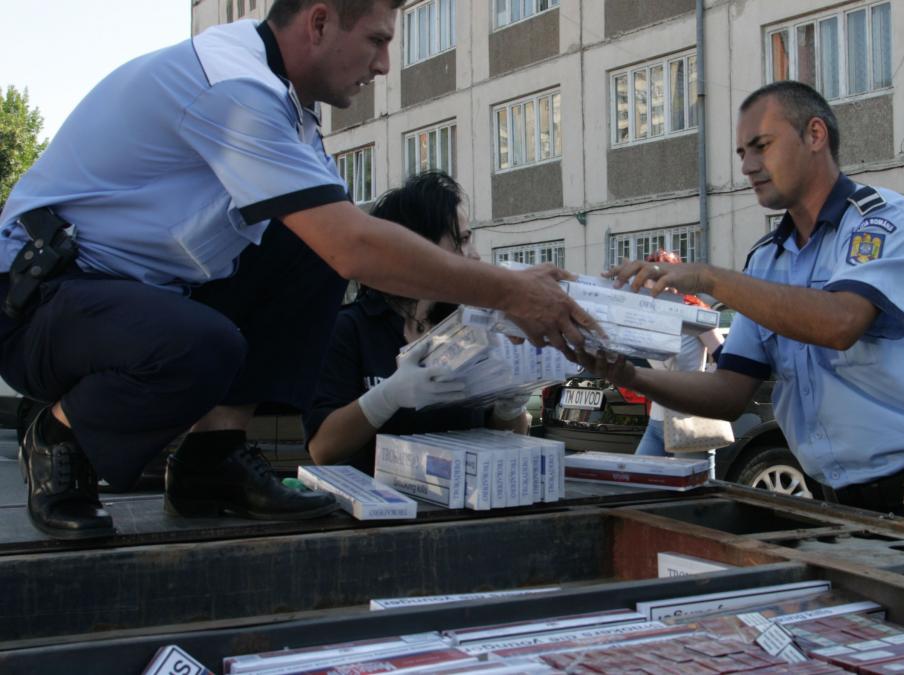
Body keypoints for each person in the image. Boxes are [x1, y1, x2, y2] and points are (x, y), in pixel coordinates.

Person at [0, 0, 594, 540]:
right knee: (208, 343)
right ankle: (59, 437)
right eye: (377, 41)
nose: (385, 65)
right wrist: (511, 291)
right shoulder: (234, 87)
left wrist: (494, 299)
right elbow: (356, 247)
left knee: (304, 246)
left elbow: (343, 240)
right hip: (40, 301)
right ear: (318, 22)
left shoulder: (291, 112)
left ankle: (214, 459)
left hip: (133, 300)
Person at [584, 81, 904, 534]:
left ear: (815, 135)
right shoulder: (768, 260)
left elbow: (841, 322)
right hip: (839, 506)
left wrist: (710, 277)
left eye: (761, 146)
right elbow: (729, 393)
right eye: (741, 153)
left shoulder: (883, 221)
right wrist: (626, 375)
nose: (748, 166)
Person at [305, 172, 531, 472]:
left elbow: (503, 441)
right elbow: (322, 449)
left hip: (462, 508)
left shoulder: (470, 326)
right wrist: (386, 397)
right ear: (417, 248)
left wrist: (511, 406)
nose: (474, 256)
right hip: (380, 511)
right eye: (461, 240)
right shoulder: (349, 329)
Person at [633, 250, 723, 460]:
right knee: (640, 482)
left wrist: (703, 387)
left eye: (663, 279)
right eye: (651, 280)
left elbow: (726, 359)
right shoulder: (647, 320)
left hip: (688, 421)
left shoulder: (696, 315)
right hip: (656, 422)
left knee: (694, 491)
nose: (657, 286)